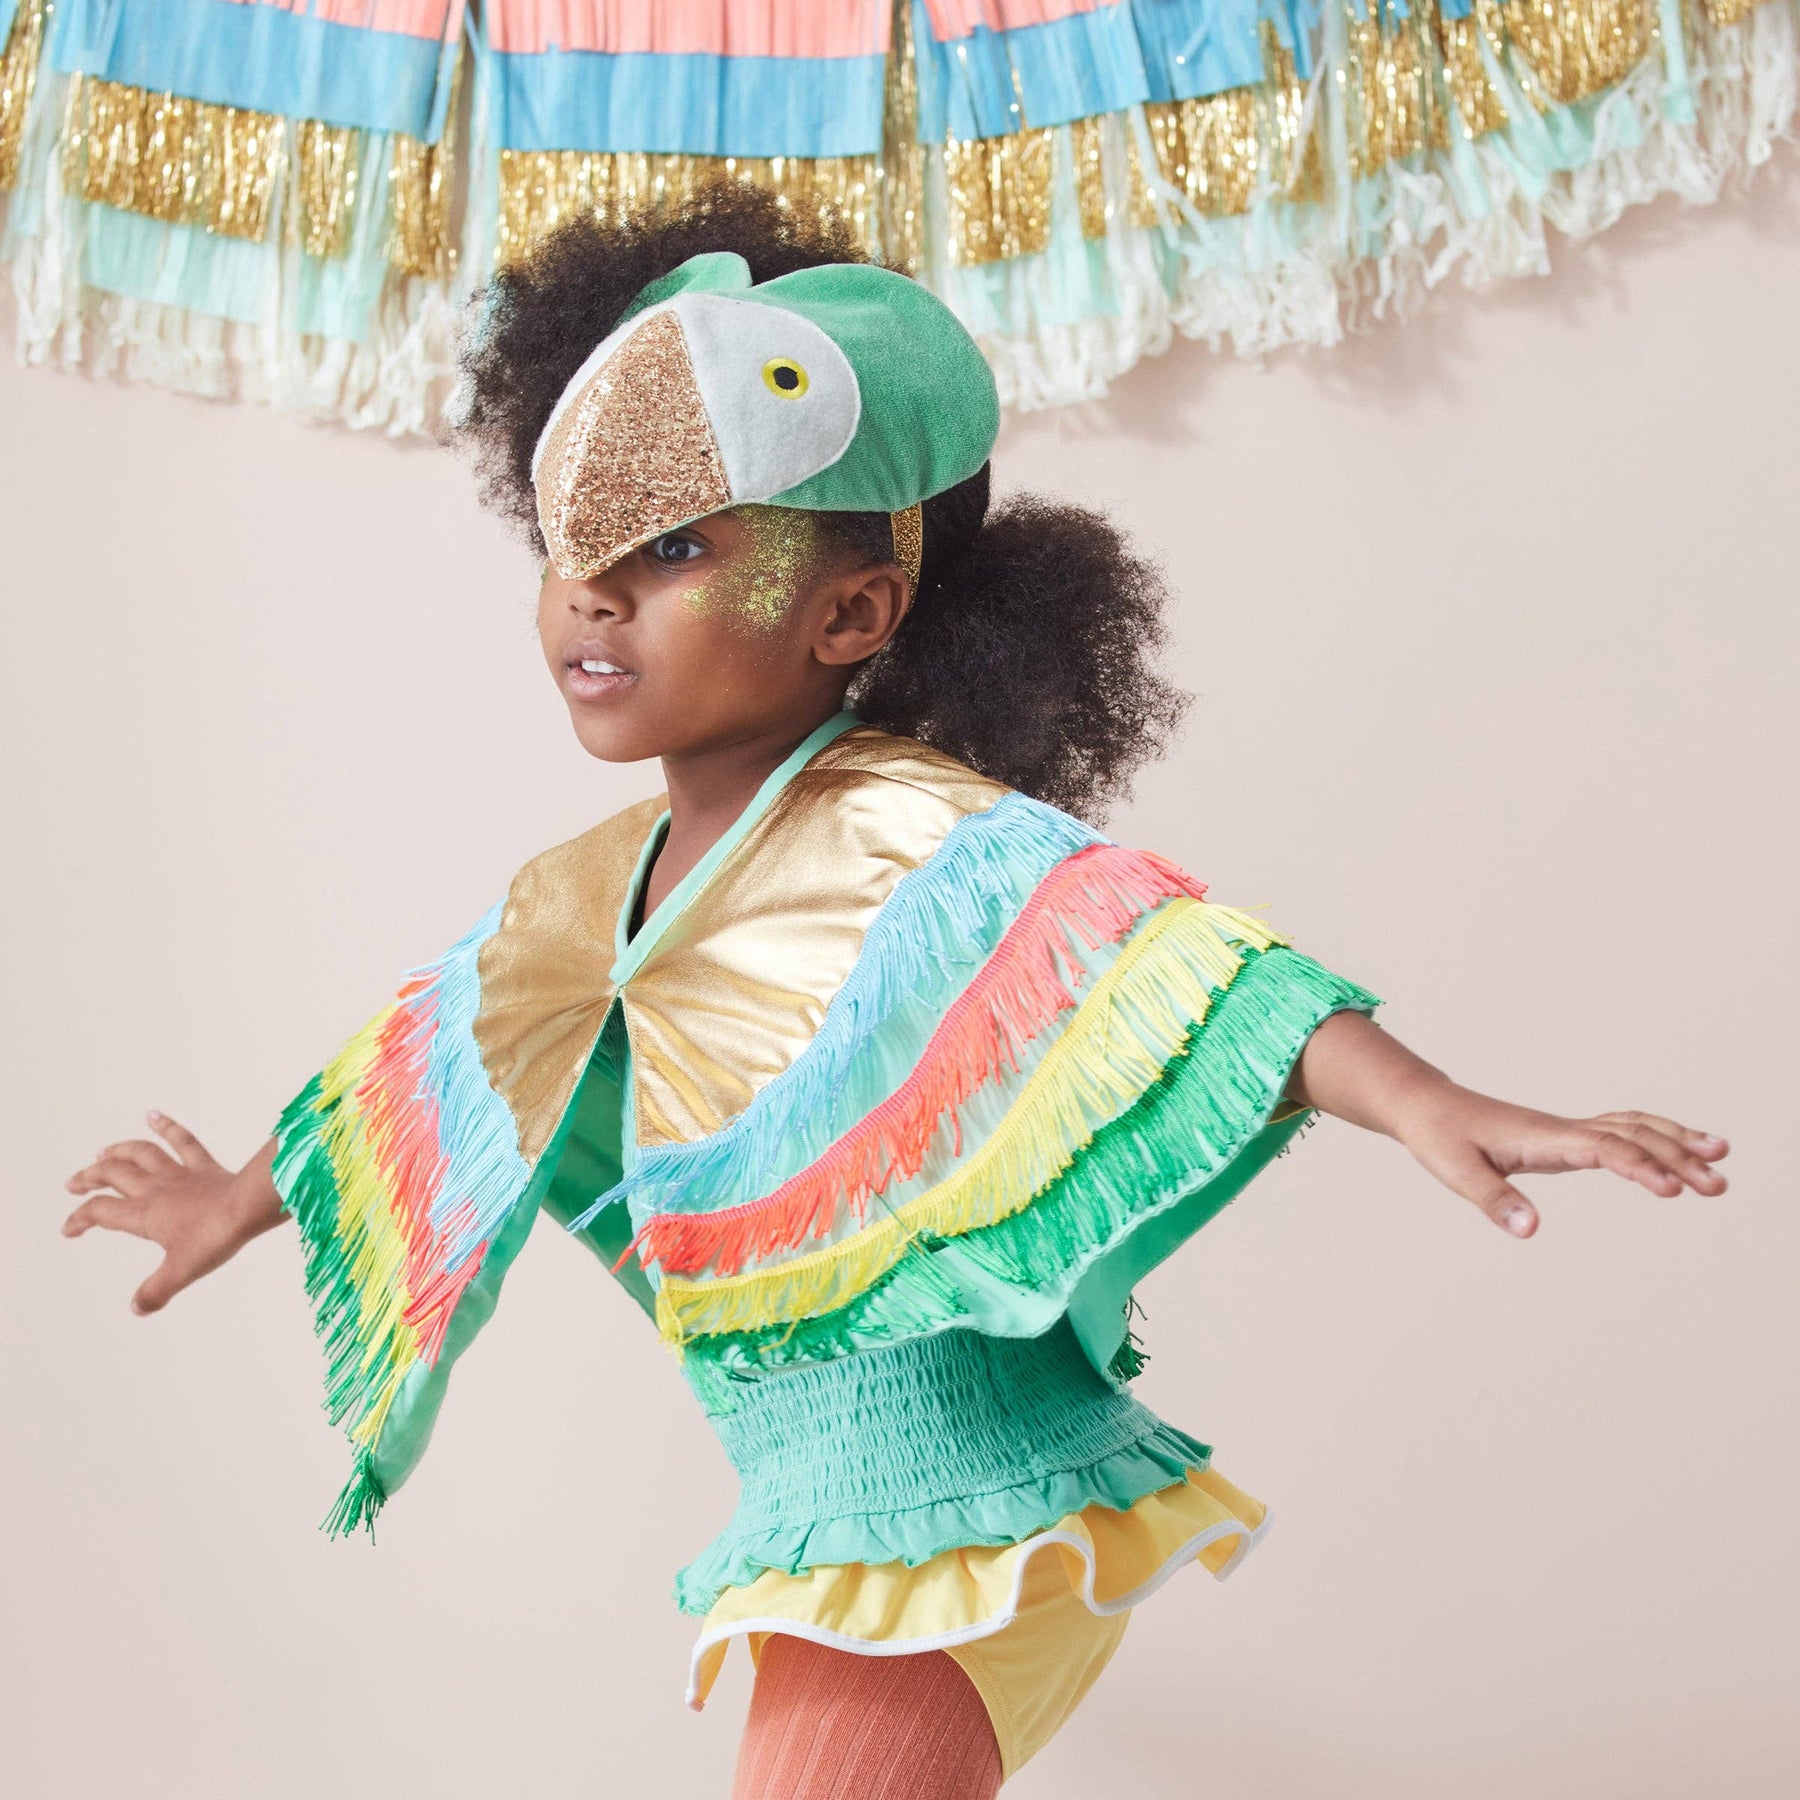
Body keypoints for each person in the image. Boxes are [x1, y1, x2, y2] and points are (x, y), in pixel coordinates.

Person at [62, 189, 1729, 1799]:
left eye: (675, 547)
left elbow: (1166, 963)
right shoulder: (580, 899)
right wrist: (236, 1199)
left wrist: (1425, 1099)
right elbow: (430, 1061)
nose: (595, 590)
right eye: (577, 546)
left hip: (955, 1521)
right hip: (834, 1515)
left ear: (852, 612)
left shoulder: (911, 833)